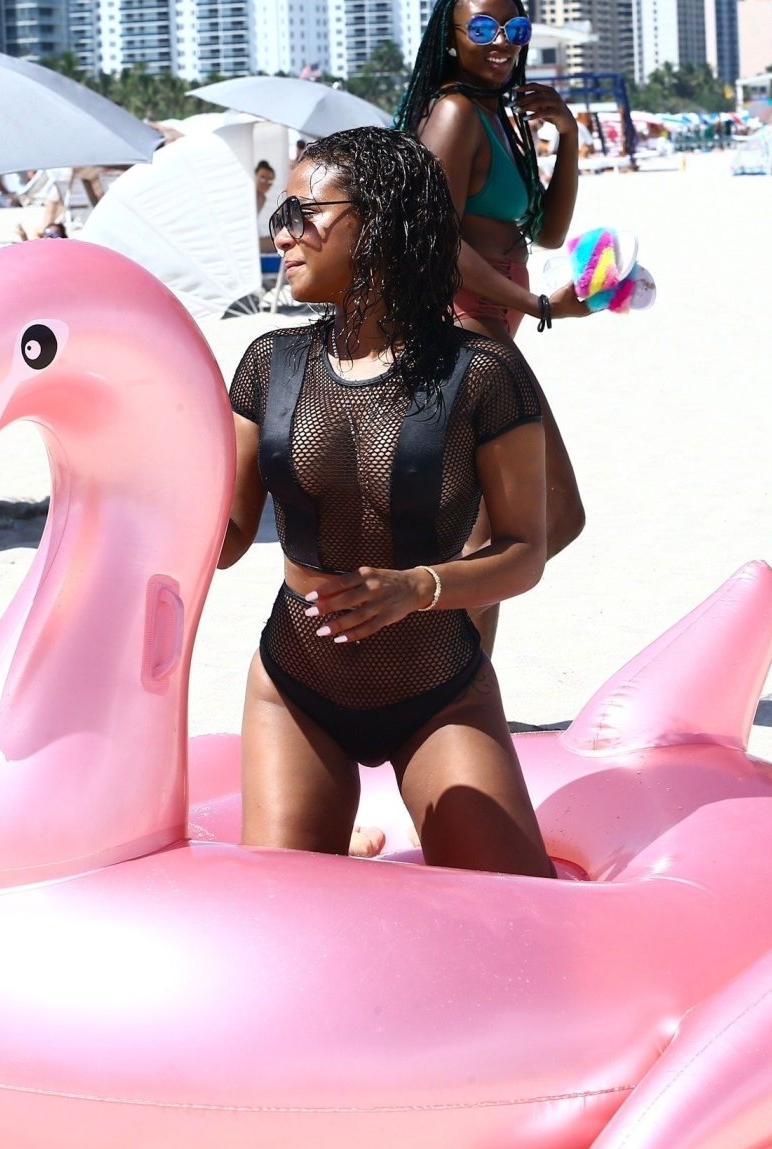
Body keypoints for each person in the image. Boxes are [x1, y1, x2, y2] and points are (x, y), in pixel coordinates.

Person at [222, 128, 555, 877]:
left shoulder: (481, 373)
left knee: (514, 911)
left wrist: (416, 588)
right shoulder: (269, 364)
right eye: (280, 216)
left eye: (304, 213)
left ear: (379, 220)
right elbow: (229, 538)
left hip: (436, 689)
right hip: (296, 685)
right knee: (276, 910)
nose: (283, 235)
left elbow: (525, 552)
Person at [397, 0, 592, 650]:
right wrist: (536, 304)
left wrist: (567, 137)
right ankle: (437, 664)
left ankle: (458, 678)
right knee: (552, 516)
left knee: (493, 534)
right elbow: (435, 242)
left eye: (515, 28)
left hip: (492, 319)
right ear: (451, 38)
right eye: (482, 28)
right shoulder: (454, 113)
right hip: (462, 323)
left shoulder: (498, 113)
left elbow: (550, 232)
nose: (502, 40)